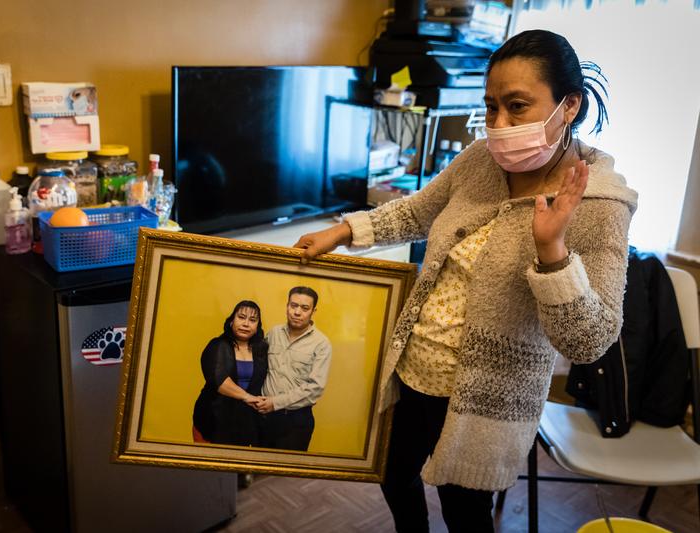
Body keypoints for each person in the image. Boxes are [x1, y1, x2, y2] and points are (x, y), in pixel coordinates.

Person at [293, 30, 638, 532]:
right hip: (416, 371)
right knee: (392, 476)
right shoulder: (481, 160)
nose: (498, 125)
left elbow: (589, 341)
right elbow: (418, 210)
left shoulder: (600, 205)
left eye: (517, 106)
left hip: (486, 400)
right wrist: (345, 230)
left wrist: (552, 252)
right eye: (491, 106)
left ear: (569, 106)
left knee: (464, 513)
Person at [254, 287, 332, 451]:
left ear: (313, 311)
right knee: (255, 471)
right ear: (287, 306)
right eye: (293, 305)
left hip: (295, 422)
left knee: (285, 476)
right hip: (263, 418)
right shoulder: (273, 333)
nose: (297, 312)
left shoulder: (321, 343)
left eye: (304, 308)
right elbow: (258, 366)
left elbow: (315, 388)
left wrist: (274, 403)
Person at [192, 300, 268, 446]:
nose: (246, 324)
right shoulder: (217, 345)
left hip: (245, 424)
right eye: (241, 317)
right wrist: (247, 397)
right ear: (232, 321)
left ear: (257, 326)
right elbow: (219, 380)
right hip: (213, 420)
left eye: (252, 320)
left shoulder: (262, 350)